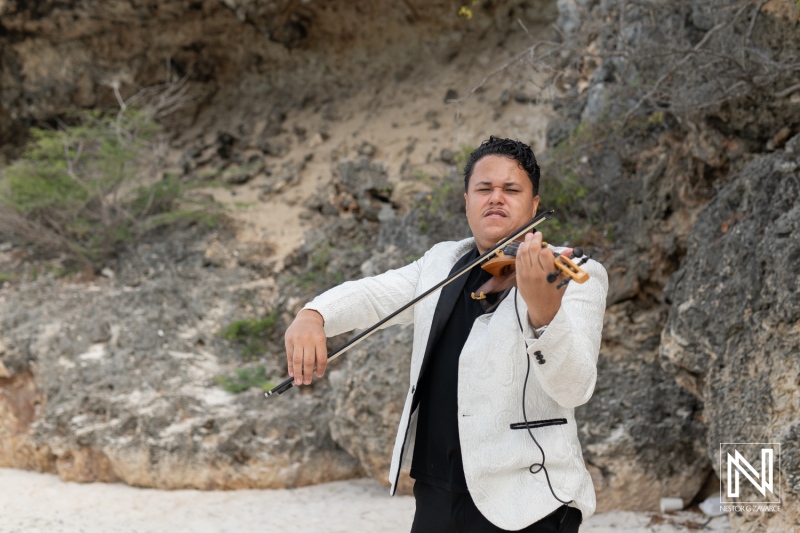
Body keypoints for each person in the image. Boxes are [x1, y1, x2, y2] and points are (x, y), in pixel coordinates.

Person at [284, 136, 608, 532]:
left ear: (534, 204)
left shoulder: (573, 275)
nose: (496, 198)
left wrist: (544, 313)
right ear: (466, 199)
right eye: (484, 189)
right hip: (436, 492)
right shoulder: (442, 262)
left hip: (529, 498)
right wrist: (313, 314)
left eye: (511, 189)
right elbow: (372, 295)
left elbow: (575, 387)